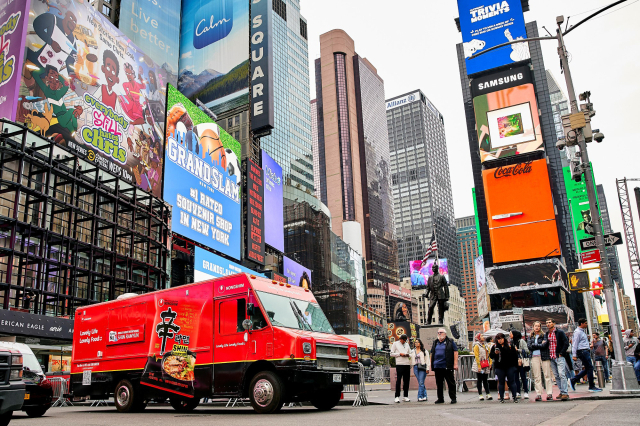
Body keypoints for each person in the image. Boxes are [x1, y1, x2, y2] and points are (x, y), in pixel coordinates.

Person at [571, 318, 602, 392]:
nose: (586, 324)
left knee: (588, 368)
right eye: (585, 323)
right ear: (581, 324)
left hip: (585, 351)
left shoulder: (582, 332)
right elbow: (574, 344)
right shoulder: (578, 332)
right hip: (582, 351)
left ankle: (574, 379)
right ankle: (591, 386)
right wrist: (574, 355)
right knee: (590, 368)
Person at [430, 328, 458, 404]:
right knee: (439, 383)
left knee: (450, 383)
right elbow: (432, 353)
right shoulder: (435, 342)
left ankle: (453, 398)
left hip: (447, 366)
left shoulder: (450, 341)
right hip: (437, 366)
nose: (439, 334)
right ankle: (440, 398)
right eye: (438, 332)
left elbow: (455, 352)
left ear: (445, 334)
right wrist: (431, 364)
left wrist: (455, 364)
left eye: (441, 332)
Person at [545, 318, 571, 401]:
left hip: (559, 356)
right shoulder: (547, 334)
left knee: (561, 374)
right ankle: (562, 391)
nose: (548, 324)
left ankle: (565, 392)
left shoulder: (559, 332)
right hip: (551, 356)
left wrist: (561, 353)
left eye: (550, 322)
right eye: (547, 323)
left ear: (553, 323)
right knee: (556, 375)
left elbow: (566, 342)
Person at [490, 333, 519, 403]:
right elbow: (491, 356)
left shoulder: (509, 346)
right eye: (498, 339)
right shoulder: (495, 346)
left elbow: (515, 356)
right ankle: (501, 397)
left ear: (504, 339)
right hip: (500, 367)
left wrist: (515, 366)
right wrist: (495, 353)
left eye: (501, 338)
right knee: (501, 382)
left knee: (512, 381)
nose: (500, 340)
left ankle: (514, 396)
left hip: (510, 366)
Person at [528, 321, 553, 401]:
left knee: (547, 375)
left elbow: (545, 345)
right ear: (533, 326)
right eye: (535, 326)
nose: (537, 327)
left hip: (544, 356)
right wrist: (539, 345)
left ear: (540, 327)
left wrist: (535, 345)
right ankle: (538, 393)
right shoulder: (530, 336)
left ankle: (549, 393)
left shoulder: (544, 335)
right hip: (534, 357)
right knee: (537, 376)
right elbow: (529, 346)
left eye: (538, 326)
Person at [391, 334, 411, 403]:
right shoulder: (395, 344)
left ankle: (405, 396)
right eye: (403, 340)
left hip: (407, 364)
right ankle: (397, 396)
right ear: (400, 339)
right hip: (399, 364)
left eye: (405, 340)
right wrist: (399, 354)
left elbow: (411, 353)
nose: (404, 342)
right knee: (398, 380)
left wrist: (407, 355)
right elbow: (391, 353)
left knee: (406, 381)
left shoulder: (407, 344)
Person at [472, 333, 492, 400]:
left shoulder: (486, 345)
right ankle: (480, 394)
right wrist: (479, 366)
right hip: (479, 364)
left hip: (485, 364)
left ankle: (488, 393)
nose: (483, 337)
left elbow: (489, 355)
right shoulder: (476, 345)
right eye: (481, 336)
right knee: (479, 379)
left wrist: (490, 362)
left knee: (485, 379)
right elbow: (476, 356)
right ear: (479, 338)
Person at [511, 330, 530, 398]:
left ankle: (526, 392)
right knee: (516, 378)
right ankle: (518, 392)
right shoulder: (512, 342)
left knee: (523, 377)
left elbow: (527, 350)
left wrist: (518, 350)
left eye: (511, 333)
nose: (510, 334)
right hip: (514, 362)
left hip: (521, 361)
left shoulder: (521, 341)